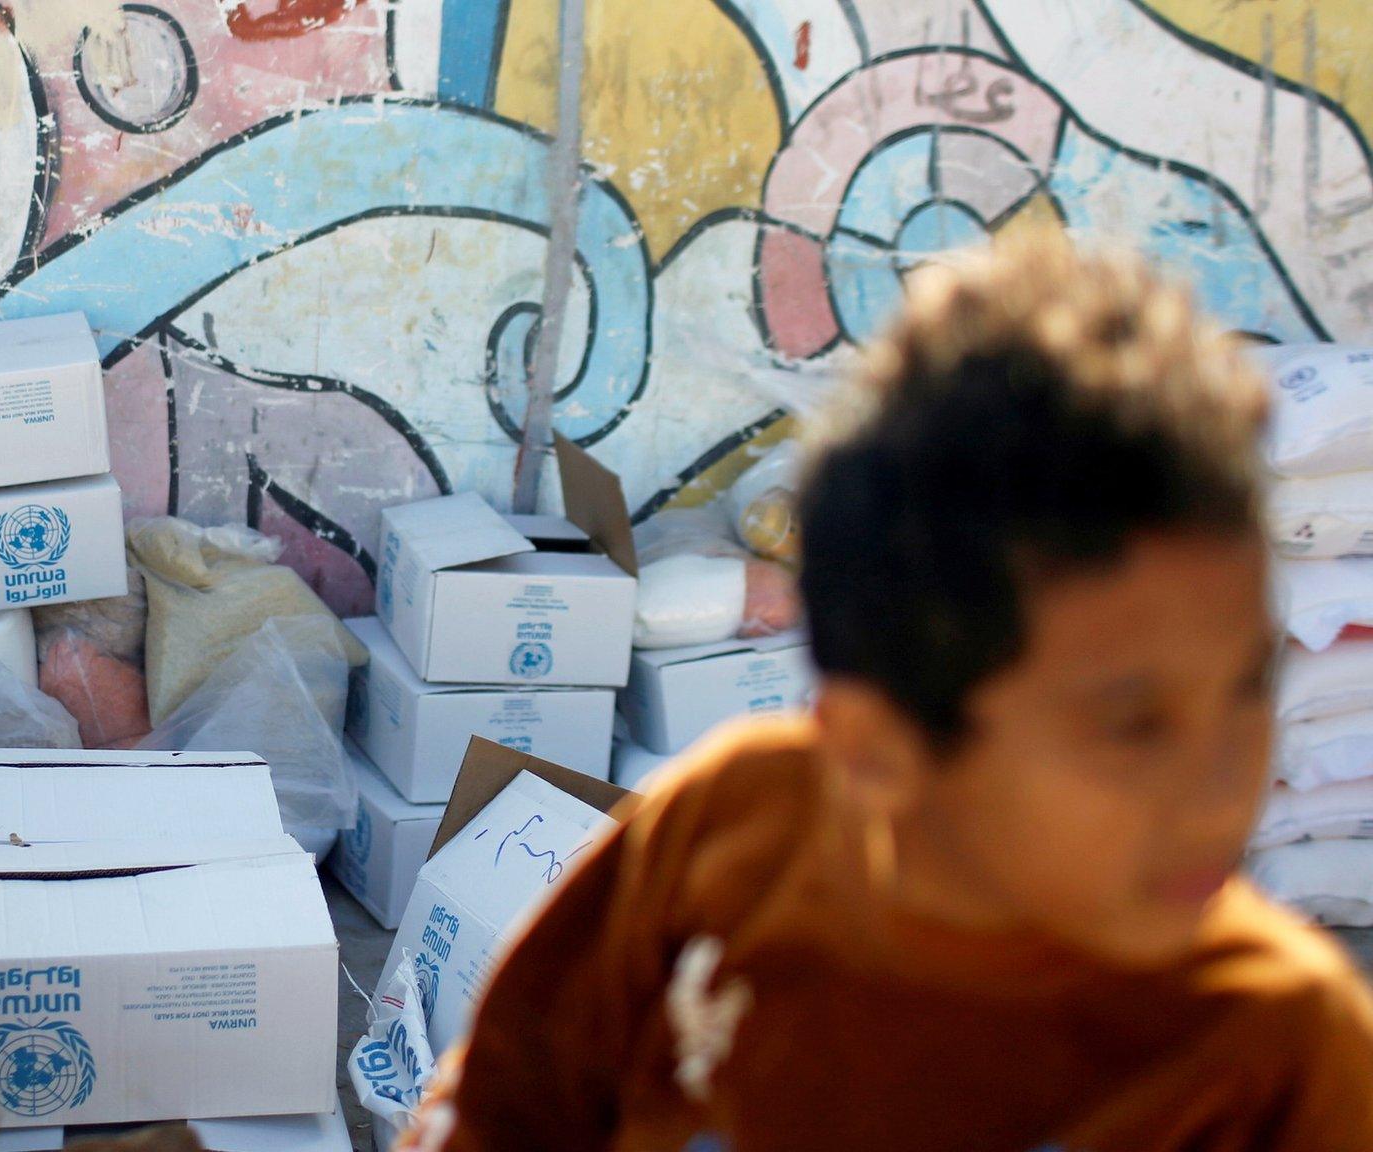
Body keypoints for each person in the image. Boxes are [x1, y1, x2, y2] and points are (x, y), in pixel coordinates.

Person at [402, 234, 1373, 1151]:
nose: (1223, 788)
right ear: (873, 746)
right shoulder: (733, 829)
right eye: (1132, 727)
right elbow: (500, 1107)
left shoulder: (1279, 1056)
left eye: (1248, 689)